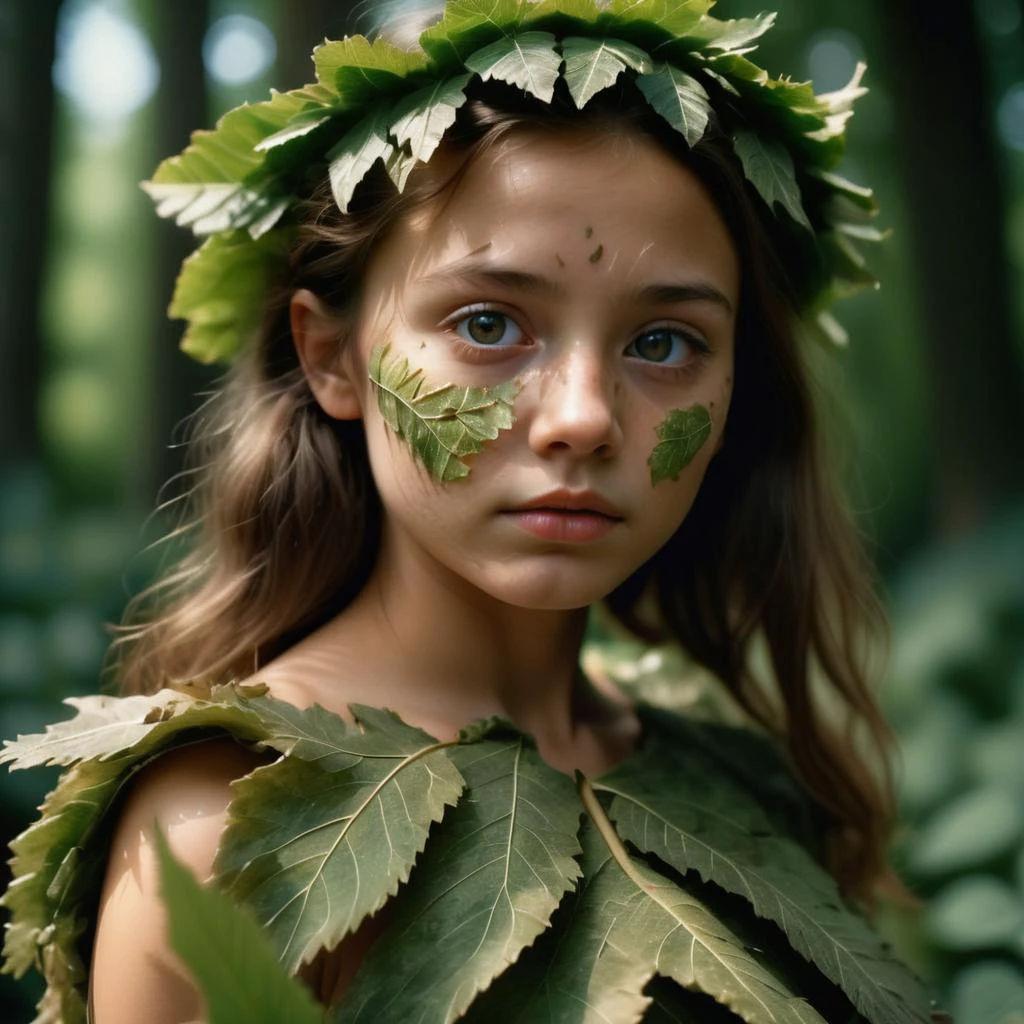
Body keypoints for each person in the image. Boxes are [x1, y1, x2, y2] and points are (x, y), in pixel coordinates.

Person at [2, 1, 942, 1022]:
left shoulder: (748, 786)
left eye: (664, 343)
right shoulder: (219, 831)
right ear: (330, 356)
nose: (582, 418)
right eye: (488, 323)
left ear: (734, 396)